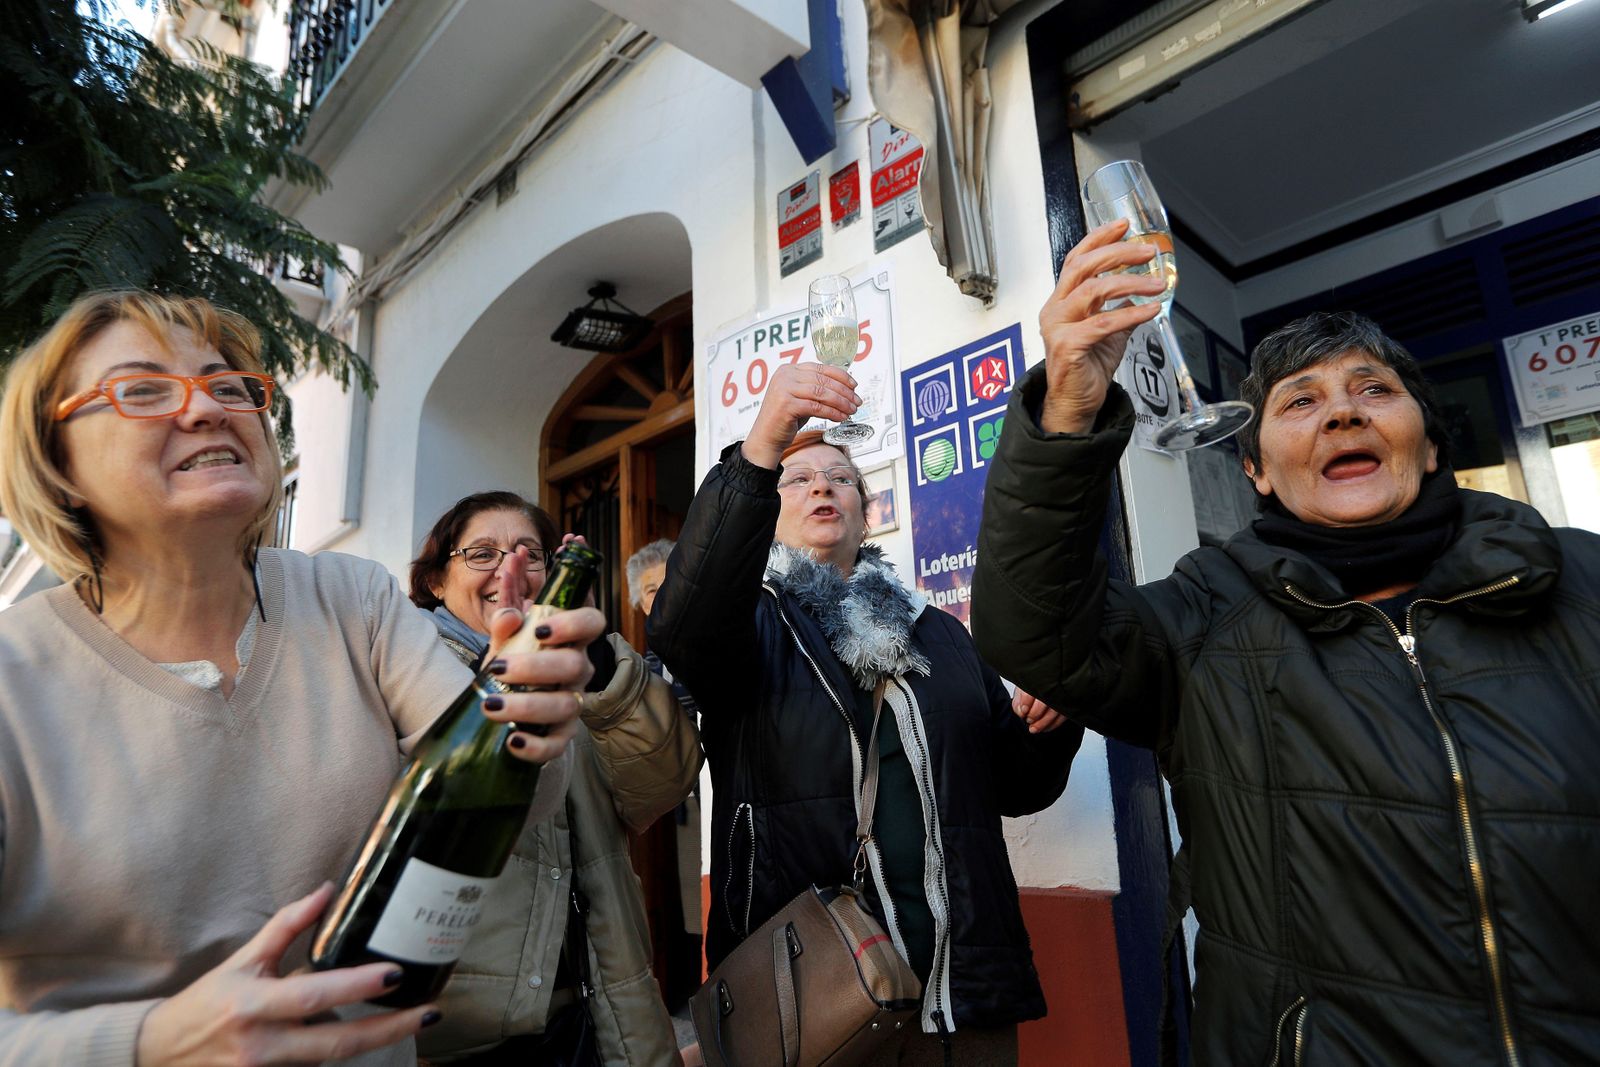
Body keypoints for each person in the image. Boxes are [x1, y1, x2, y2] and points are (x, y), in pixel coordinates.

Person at [971, 221, 1600, 1063]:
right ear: (1256, 470)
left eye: (1372, 389)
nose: (1341, 409)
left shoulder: (1577, 580)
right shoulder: (1203, 616)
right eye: (1300, 400)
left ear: (1431, 437)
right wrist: (1070, 405)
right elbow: (1034, 630)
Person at [0, 292, 598, 1066]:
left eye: (227, 385)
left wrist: (533, 707)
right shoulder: (15, 680)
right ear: (57, 464)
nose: (208, 409)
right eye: (144, 390)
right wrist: (152, 1041)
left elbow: (514, 805)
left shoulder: (351, 598)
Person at [648, 364, 1084, 1064]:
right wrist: (765, 441)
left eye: (841, 478)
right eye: (798, 478)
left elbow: (1016, 785)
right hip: (814, 989)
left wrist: (1052, 726)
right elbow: (683, 623)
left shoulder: (937, 630)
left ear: (866, 511)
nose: (821, 484)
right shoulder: (747, 624)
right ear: (768, 509)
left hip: (959, 988)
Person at [409, 492, 700, 1065]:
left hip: (598, 1015)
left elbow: (664, 782)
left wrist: (592, 656)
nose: (509, 569)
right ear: (437, 581)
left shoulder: (577, 675)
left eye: (530, 554)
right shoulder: (404, 671)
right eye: (482, 553)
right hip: (469, 1041)